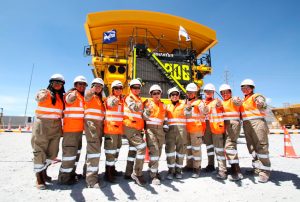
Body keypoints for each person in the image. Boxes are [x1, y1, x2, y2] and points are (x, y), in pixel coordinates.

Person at [31, 74, 65, 189]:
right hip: (42, 125)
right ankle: (39, 177)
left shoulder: (60, 98)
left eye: (60, 83)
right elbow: (38, 96)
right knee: (39, 151)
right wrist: (41, 96)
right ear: (51, 83)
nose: (57, 85)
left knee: (53, 153)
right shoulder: (44, 92)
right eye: (55, 82)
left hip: (55, 126)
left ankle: (44, 172)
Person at [240, 79, 271, 183]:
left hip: (257, 123)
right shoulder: (244, 100)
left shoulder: (256, 96)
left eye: (247, 87)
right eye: (243, 88)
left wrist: (261, 103)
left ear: (252, 88)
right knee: (252, 147)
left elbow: (261, 102)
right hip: (246, 124)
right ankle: (257, 168)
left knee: (261, 146)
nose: (245, 89)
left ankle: (265, 171)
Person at [58, 75, 87, 185]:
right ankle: (64, 178)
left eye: (84, 84)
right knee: (69, 154)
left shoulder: (81, 97)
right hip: (70, 130)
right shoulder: (72, 94)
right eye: (80, 84)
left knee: (76, 153)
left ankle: (71, 173)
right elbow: (69, 100)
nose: (82, 86)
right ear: (75, 85)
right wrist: (73, 94)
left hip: (79, 130)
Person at [123, 79, 147, 186]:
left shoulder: (139, 99)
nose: (136, 89)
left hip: (137, 128)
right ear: (130, 88)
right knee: (142, 147)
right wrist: (143, 104)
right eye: (134, 87)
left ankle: (128, 173)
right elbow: (133, 108)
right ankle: (137, 173)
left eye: (138, 87)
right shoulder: (130, 98)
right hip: (130, 127)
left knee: (133, 150)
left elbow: (141, 115)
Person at [202, 83, 227, 179]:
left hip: (216, 127)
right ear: (204, 92)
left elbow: (220, 107)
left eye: (210, 91)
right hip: (207, 127)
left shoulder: (217, 101)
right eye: (206, 91)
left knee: (219, 149)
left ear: (213, 92)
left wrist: (218, 105)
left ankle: (222, 169)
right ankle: (211, 165)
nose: (208, 93)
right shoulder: (203, 103)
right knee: (209, 148)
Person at [84, 78, 106, 188]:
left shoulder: (99, 99)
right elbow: (87, 96)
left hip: (98, 127)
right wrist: (91, 90)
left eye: (100, 86)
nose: (98, 87)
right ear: (92, 86)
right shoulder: (90, 95)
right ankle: (91, 180)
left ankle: (86, 173)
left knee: (92, 151)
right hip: (91, 126)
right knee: (94, 152)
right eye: (95, 85)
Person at [165, 87, 191, 180]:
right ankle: (171, 171)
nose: (175, 96)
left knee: (181, 151)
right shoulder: (167, 107)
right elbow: (164, 119)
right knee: (170, 152)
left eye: (176, 94)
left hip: (181, 132)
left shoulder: (183, 105)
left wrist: (188, 108)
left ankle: (178, 171)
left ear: (178, 96)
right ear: (170, 96)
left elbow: (188, 115)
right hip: (170, 132)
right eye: (173, 95)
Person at [219, 84, 243, 181]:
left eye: (227, 92)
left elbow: (238, 103)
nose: (225, 94)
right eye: (223, 93)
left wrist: (237, 101)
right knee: (230, 146)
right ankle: (233, 167)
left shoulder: (234, 99)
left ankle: (236, 171)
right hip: (224, 125)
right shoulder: (222, 102)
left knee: (230, 147)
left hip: (233, 124)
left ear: (230, 93)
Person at [143, 84, 166, 185]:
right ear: (151, 95)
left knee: (159, 151)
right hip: (151, 130)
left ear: (161, 94)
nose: (156, 95)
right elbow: (143, 117)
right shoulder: (147, 103)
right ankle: (153, 176)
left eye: (158, 93)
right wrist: (147, 111)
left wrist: (165, 127)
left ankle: (153, 169)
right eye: (154, 93)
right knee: (154, 151)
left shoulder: (163, 105)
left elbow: (165, 118)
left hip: (160, 130)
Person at [104, 80, 124, 183]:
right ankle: (108, 173)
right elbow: (110, 104)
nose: (118, 90)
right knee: (110, 152)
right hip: (111, 130)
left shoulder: (122, 100)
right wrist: (114, 101)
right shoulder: (110, 99)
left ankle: (112, 169)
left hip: (119, 131)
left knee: (116, 151)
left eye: (120, 88)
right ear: (112, 90)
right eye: (116, 88)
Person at [184, 83, 205, 178]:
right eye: (188, 92)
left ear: (195, 93)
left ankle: (197, 168)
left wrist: (205, 109)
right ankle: (189, 165)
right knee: (188, 149)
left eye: (192, 92)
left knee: (196, 149)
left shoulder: (199, 103)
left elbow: (204, 111)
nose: (190, 94)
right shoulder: (185, 103)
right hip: (187, 129)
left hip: (196, 129)